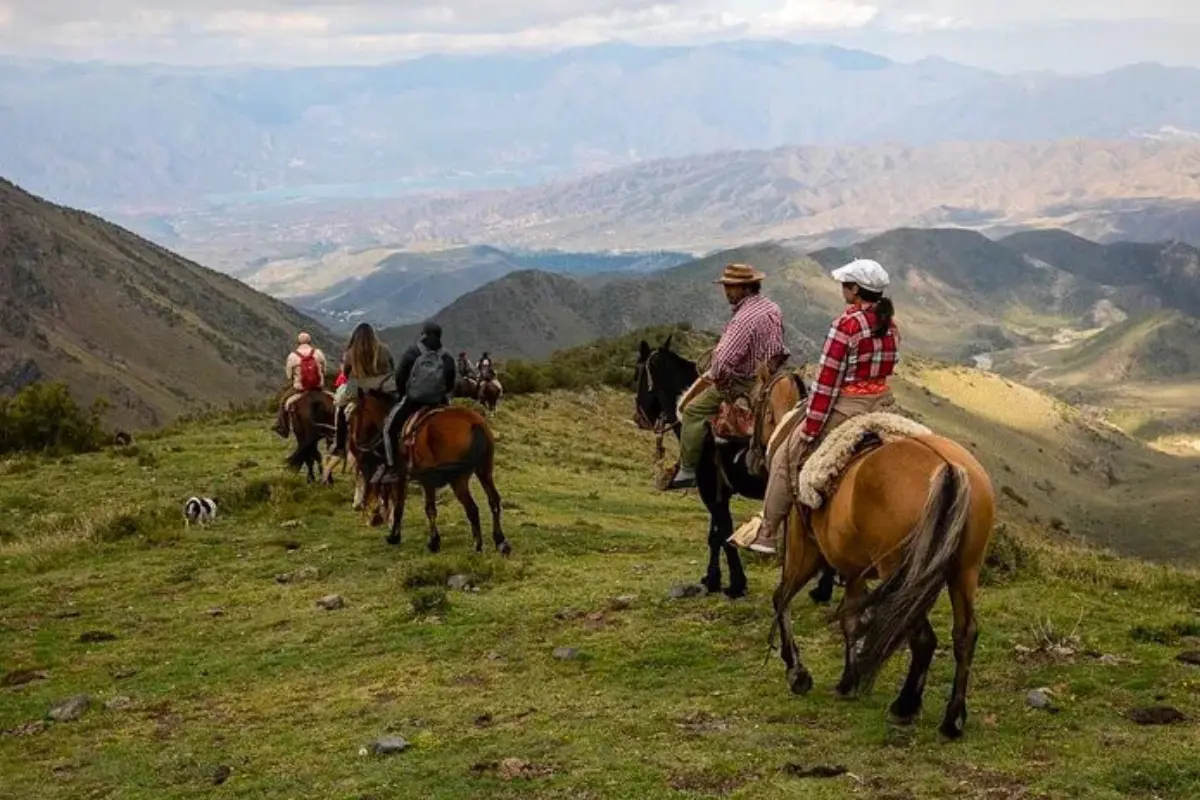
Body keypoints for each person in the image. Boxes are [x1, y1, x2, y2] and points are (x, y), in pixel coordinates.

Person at [734, 258, 899, 554]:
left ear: (855, 290)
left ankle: (768, 531)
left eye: (844, 285)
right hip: (884, 405)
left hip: (849, 407)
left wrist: (811, 427)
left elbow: (826, 383)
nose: (842, 290)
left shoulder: (846, 326)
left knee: (785, 457)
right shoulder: (891, 325)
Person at [666, 263, 788, 491]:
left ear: (745, 287)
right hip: (771, 377)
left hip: (742, 382)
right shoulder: (772, 307)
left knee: (692, 411)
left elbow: (722, 362)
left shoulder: (742, 319)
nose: (727, 292)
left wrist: (718, 378)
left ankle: (688, 469)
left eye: (730, 287)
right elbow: (779, 348)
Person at [373, 321, 457, 484]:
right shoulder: (447, 356)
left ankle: (391, 468)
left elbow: (400, 376)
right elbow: (451, 382)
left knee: (388, 429)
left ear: (423, 334)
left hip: (413, 401)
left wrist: (405, 394)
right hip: (438, 402)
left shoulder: (413, 351)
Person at [330, 322, 396, 457]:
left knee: (341, 409)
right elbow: (392, 368)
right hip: (382, 387)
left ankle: (340, 445)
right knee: (396, 407)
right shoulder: (384, 349)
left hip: (358, 386)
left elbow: (347, 375)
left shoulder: (350, 353)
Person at [274, 332, 327, 438]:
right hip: (318, 388)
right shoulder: (318, 353)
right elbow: (324, 370)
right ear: (310, 341)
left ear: (298, 342)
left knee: (283, 402)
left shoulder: (293, 356)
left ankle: (283, 428)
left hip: (300, 389)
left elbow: (289, 375)